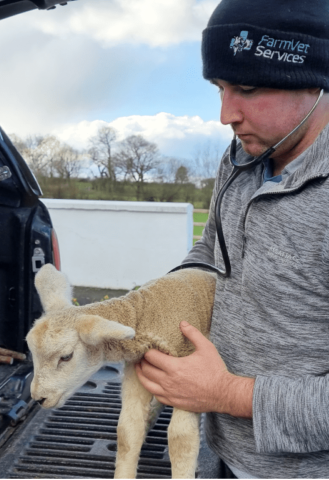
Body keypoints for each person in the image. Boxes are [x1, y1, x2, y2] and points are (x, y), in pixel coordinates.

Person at [135, 1, 329, 478]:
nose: (226, 114)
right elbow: (214, 251)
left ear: (314, 78)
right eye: (219, 88)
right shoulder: (241, 160)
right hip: (223, 449)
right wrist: (151, 307)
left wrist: (224, 394)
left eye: (245, 88)